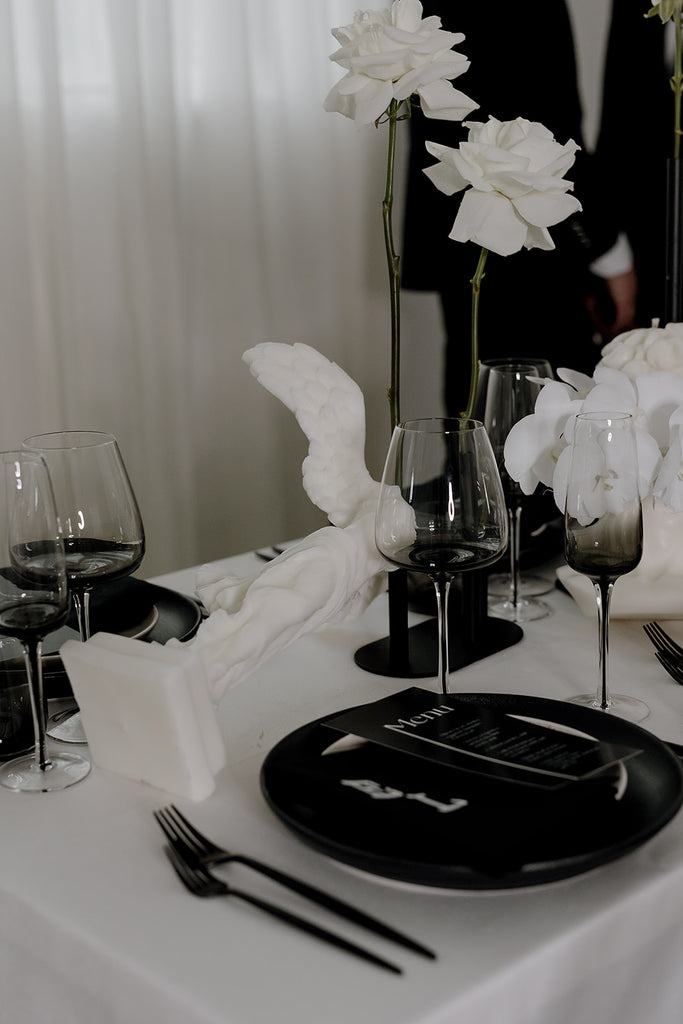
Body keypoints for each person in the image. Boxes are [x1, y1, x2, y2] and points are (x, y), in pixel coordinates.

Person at [402, 0, 634, 415]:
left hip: (469, 224)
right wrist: (607, 250)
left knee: (480, 408)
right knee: (538, 420)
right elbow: (542, 118)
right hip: (516, 236)